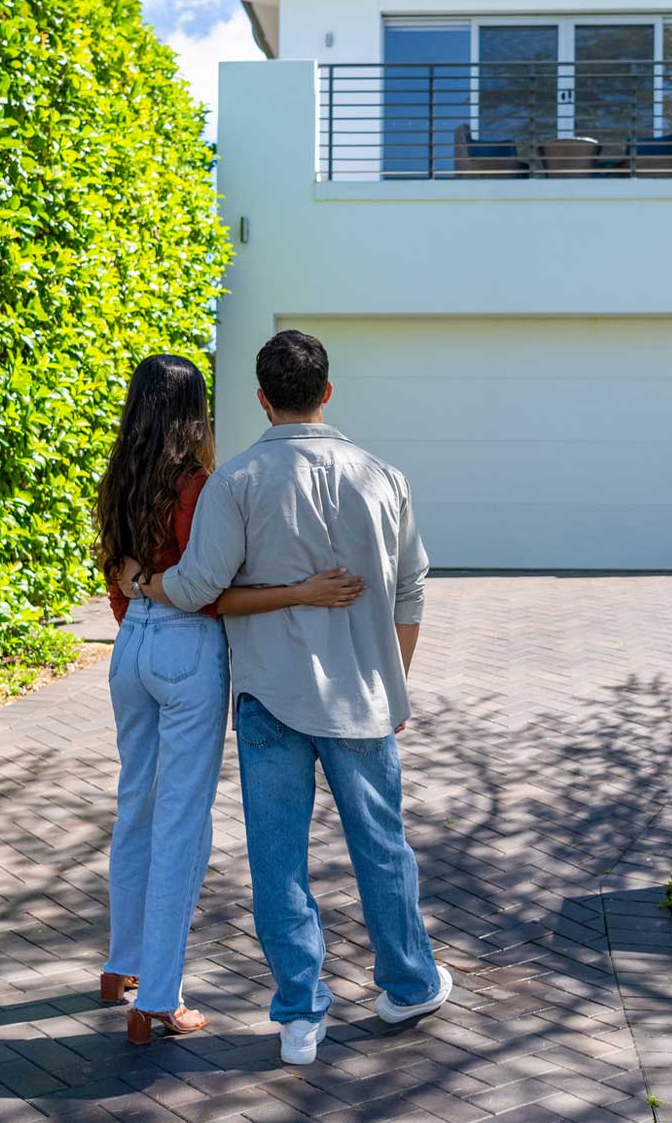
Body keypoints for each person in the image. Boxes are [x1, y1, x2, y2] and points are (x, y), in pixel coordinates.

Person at [134, 330, 450, 1066]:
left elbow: (196, 589)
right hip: (364, 700)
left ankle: (299, 1016)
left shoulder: (236, 482)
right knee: (382, 848)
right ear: (328, 392)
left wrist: (141, 584)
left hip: (270, 700)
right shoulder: (384, 477)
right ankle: (410, 984)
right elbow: (411, 590)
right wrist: (392, 677)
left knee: (278, 864)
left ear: (261, 398)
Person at [95, 353, 363, 1046]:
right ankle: (158, 997)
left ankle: (121, 963)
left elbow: (118, 575)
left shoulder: (117, 476)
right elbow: (208, 590)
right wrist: (298, 592)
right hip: (187, 647)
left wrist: (141, 605)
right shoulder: (200, 486)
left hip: (130, 649)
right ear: (196, 411)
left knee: (137, 805)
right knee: (183, 821)